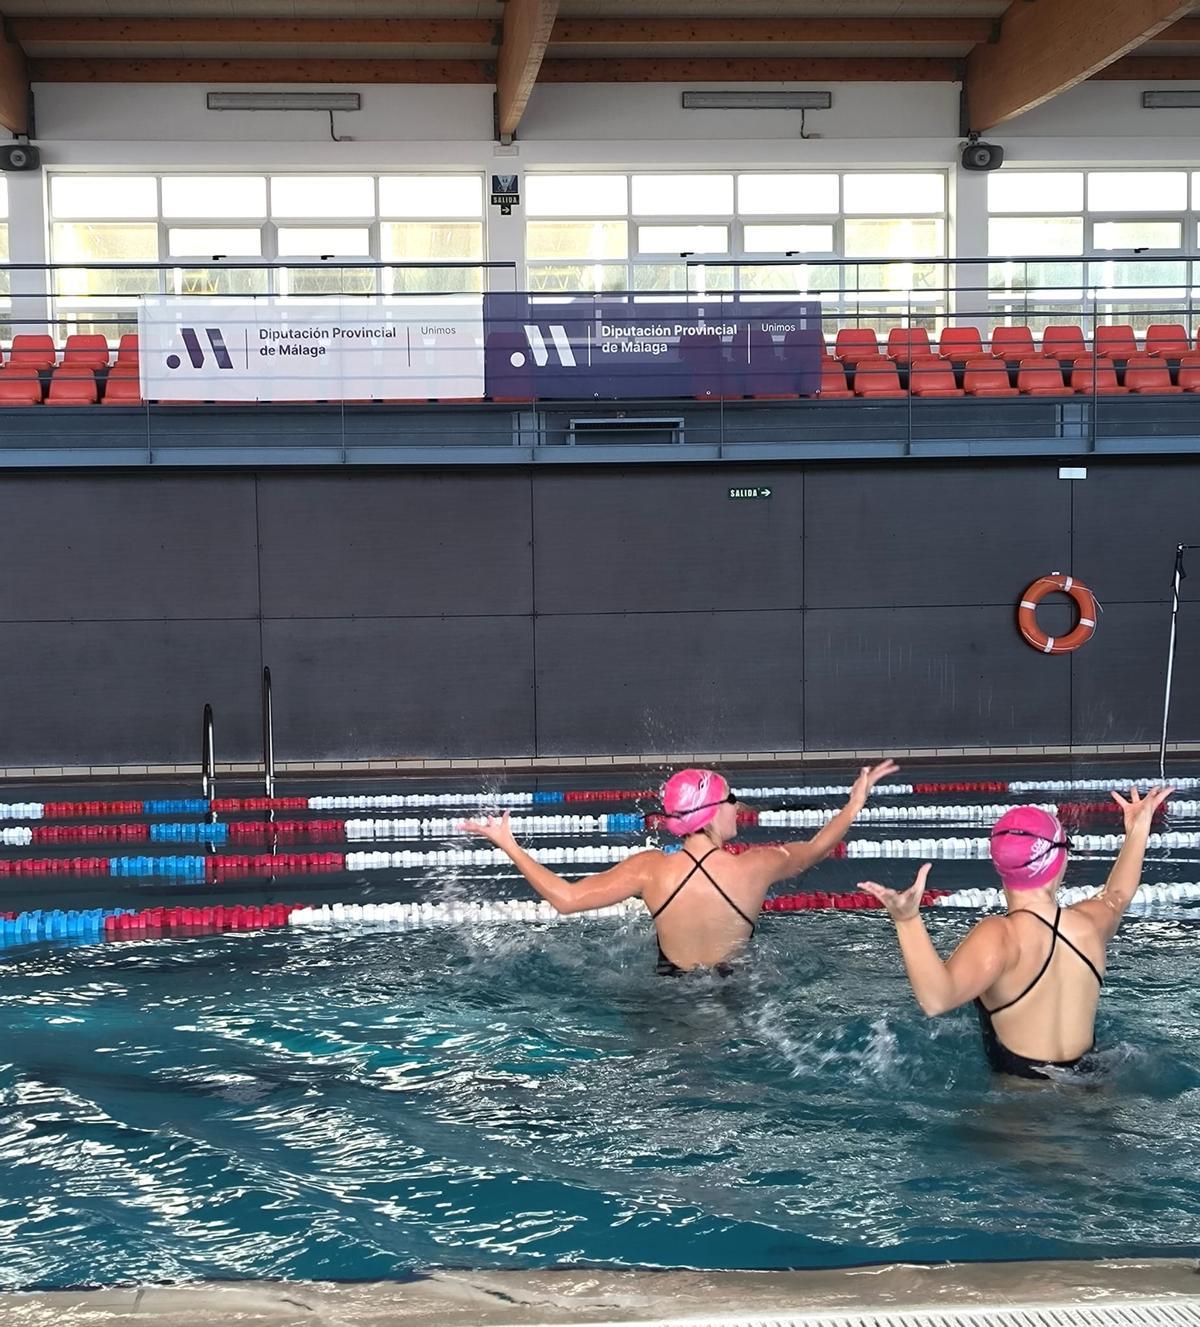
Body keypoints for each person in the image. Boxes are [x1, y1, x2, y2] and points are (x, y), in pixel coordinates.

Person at [461, 760, 899, 974]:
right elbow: (820, 847)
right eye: (730, 800)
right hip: (733, 994)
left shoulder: (650, 871)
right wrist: (854, 803)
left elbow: (566, 899)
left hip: (667, 995)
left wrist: (509, 845)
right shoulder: (757, 866)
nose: (737, 807)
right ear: (709, 814)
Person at [859, 784, 1174, 1080]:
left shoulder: (1001, 937)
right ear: (1060, 859)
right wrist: (1138, 828)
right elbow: (1118, 895)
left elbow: (936, 1000)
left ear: (999, 865)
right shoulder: (1089, 924)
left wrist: (907, 920)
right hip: (1096, 1082)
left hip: (1026, 1112)